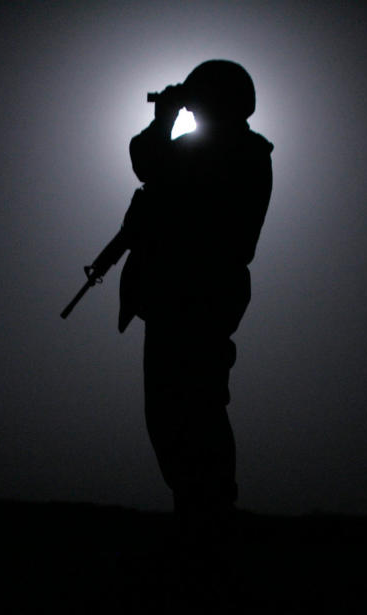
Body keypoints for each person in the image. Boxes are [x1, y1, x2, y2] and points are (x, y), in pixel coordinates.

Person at [117, 60, 273, 546]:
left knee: (192, 404)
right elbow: (151, 165)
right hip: (182, 293)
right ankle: (197, 509)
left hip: (196, 294)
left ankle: (209, 514)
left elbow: (150, 162)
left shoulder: (233, 152)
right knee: (175, 407)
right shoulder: (221, 149)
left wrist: (165, 118)